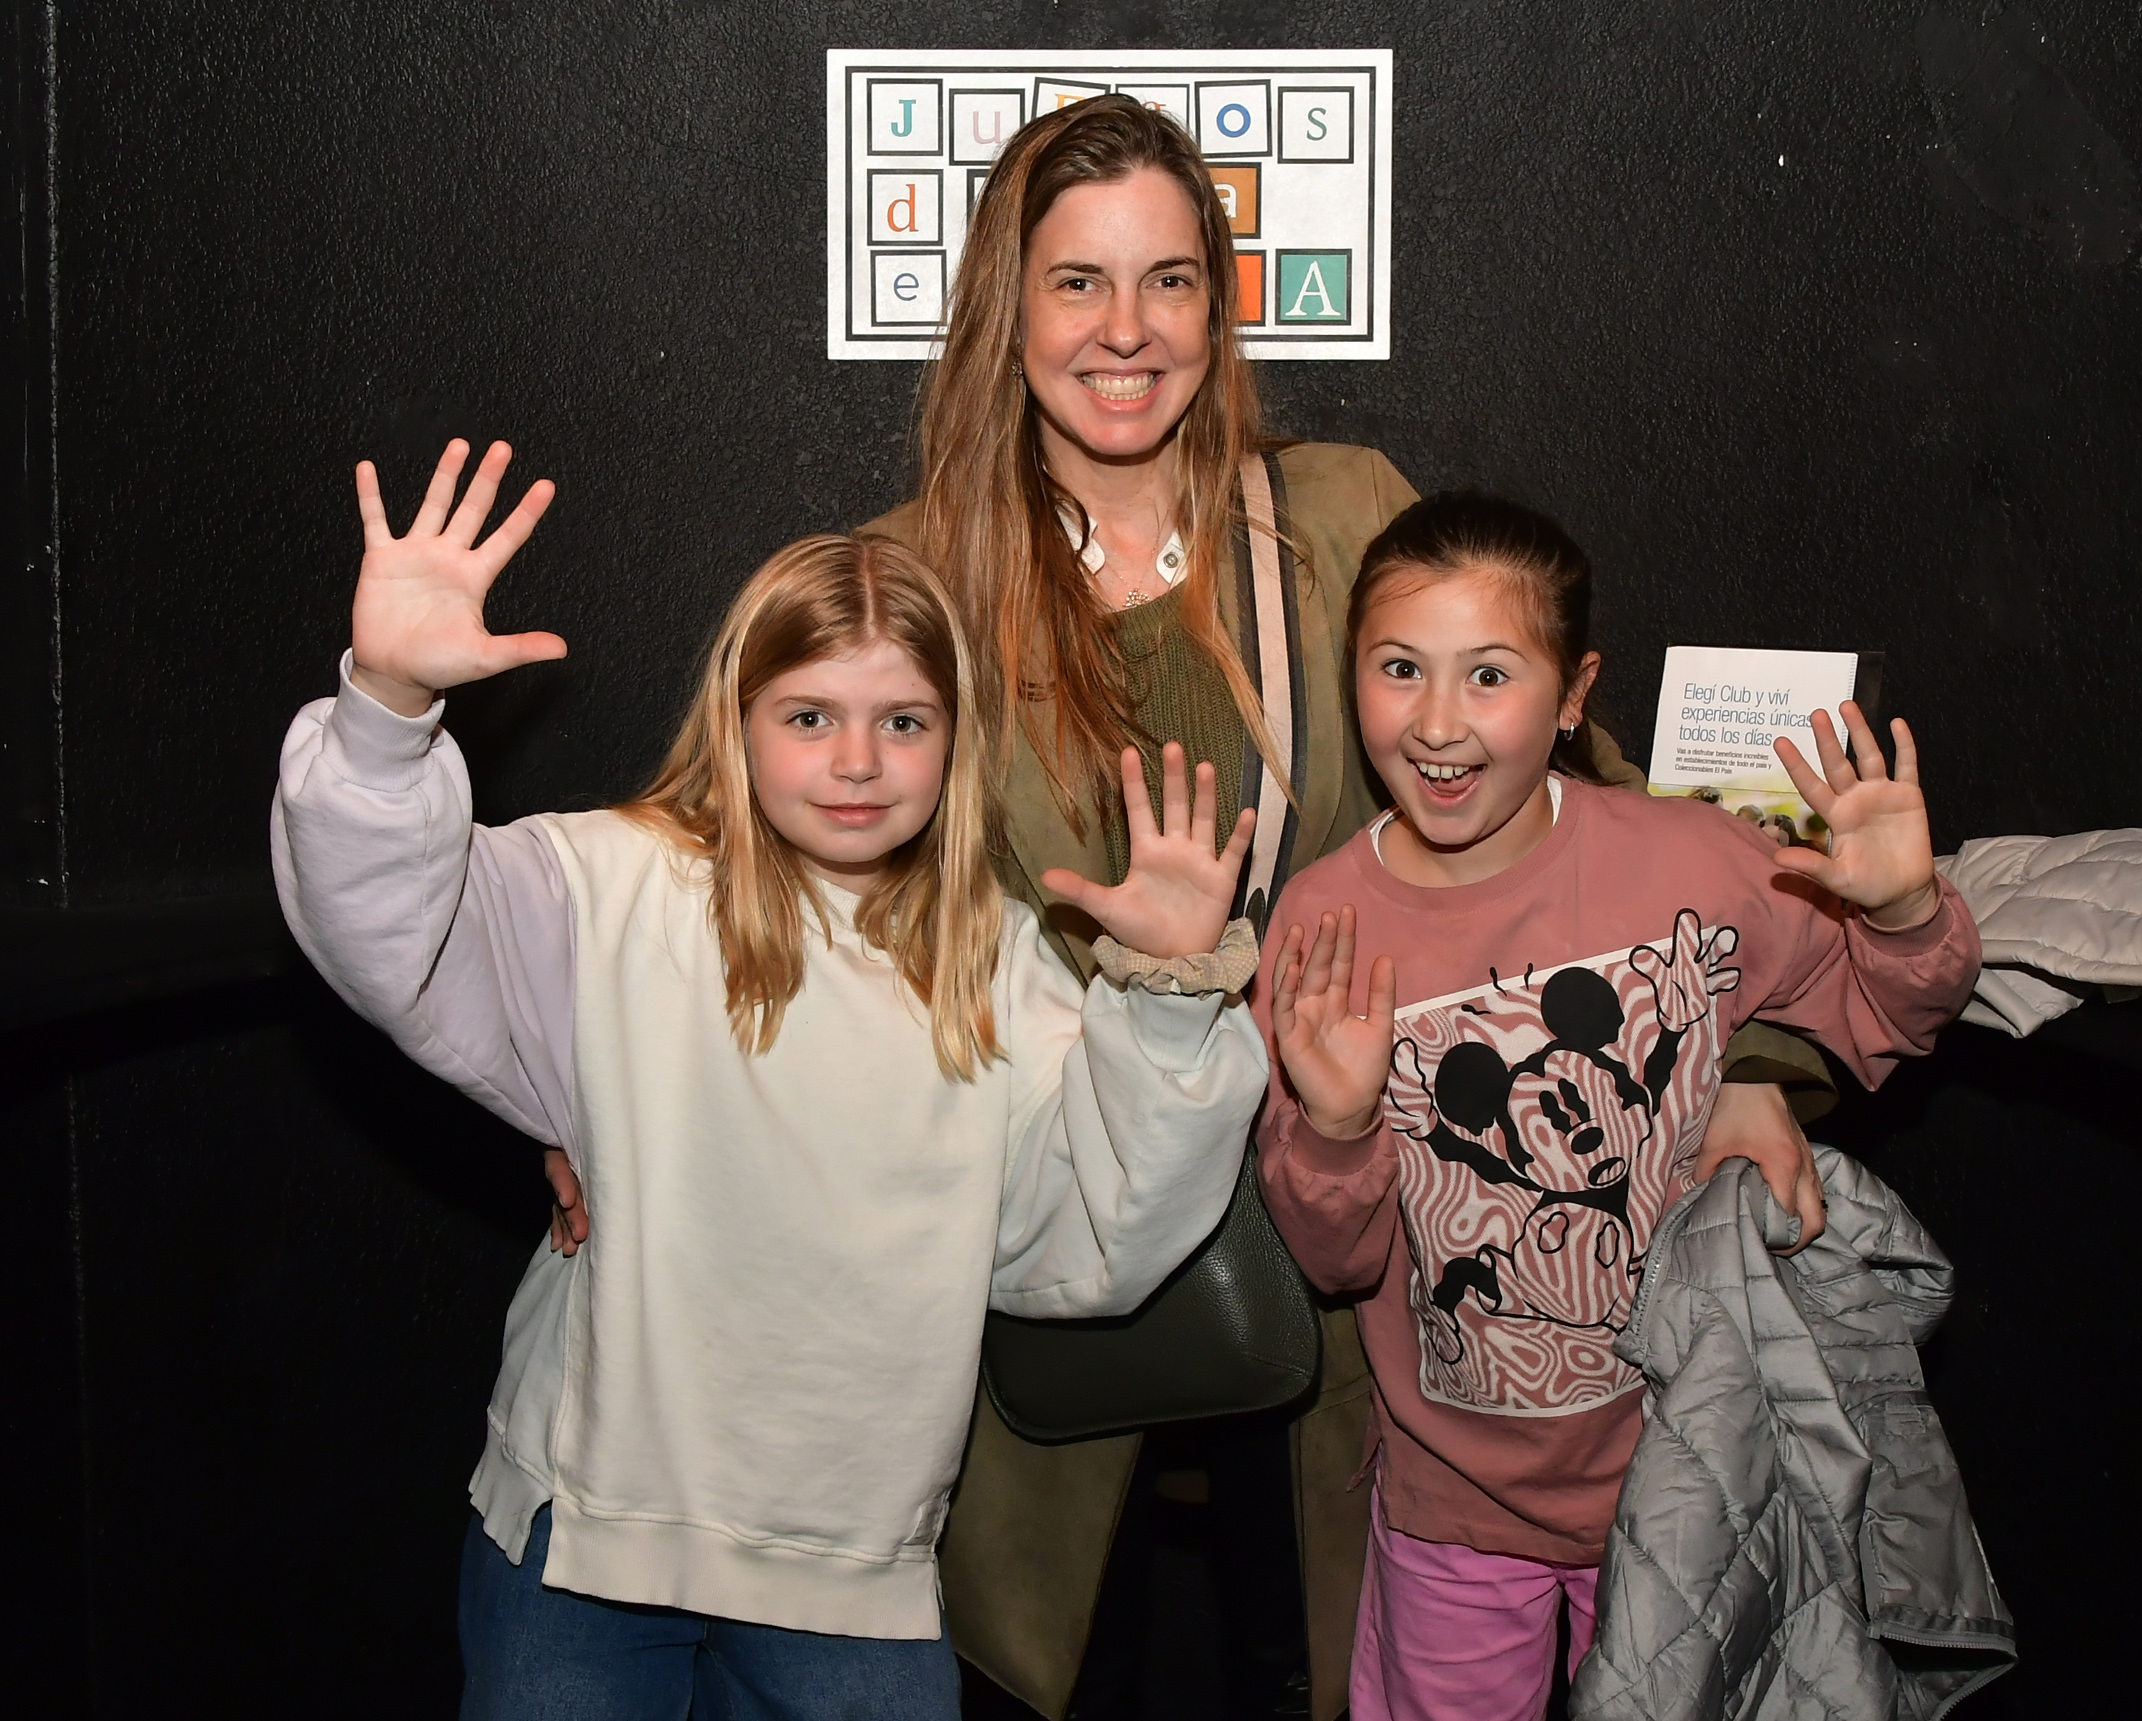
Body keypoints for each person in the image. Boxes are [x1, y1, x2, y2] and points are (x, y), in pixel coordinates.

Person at [538, 94, 1838, 1719]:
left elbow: (1602, 824)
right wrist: (580, 1078)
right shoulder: (910, 573)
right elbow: (722, 843)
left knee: (1324, 1662)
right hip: (1041, 1260)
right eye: (1077, 281)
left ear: (1217, 306)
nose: (1125, 329)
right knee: (1055, 1674)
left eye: (1168, 279)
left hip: (1360, 1253)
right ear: (1005, 303)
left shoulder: (1341, 516)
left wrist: (1743, 1066)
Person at [273, 440, 1273, 1719]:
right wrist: (386, 711)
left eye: (902, 721)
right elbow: (386, 929)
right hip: (586, 1538)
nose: (857, 760)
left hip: (849, 1570)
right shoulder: (615, 881)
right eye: (809, 716)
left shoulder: (995, 963)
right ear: (737, 720)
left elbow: (1095, 1232)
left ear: (955, 739)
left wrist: (1171, 997)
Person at [1252, 492, 1980, 1720]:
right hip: (1451, 1505)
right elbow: (1335, 1260)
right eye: (1398, 667)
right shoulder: (1324, 923)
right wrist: (1333, 1127)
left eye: (1489, 673)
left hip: (1693, 1488)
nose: (1437, 721)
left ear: (1573, 693)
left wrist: (1906, 913)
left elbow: (1885, 1015)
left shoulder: (1691, 857)